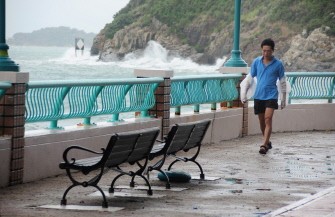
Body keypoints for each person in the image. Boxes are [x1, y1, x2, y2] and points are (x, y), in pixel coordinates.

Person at [242, 38, 287, 154]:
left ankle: (263, 145)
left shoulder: (278, 64)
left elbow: (283, 82)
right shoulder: (257, 62)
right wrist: (244, 94)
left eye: (268, 51)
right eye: (264, 51)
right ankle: (267, 141)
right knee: (262, 121)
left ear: (272, 51)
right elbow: (249, 78)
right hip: (259, 95)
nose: (266, 53)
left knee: (268, 118)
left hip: (271, 95)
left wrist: (283, 99)